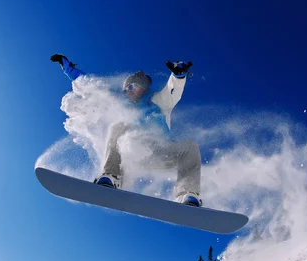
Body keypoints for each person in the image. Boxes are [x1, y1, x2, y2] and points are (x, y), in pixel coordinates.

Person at [50, 54, 202, 207]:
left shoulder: (157, 101)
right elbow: (92, 87)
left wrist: (178, 76)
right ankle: (112, 176)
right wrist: (69, 70)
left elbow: (172, 92)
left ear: (141, 87)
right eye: (125, 89)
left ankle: (187, 194)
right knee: (118, 127)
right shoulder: (122, 105)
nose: (126, 91)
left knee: (190, 147)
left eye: (131, 87)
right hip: (132, 155)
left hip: (161, 153)